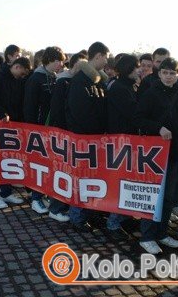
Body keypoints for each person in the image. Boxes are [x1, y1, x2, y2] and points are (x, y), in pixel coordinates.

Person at [134, 57, 178, 254]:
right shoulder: (150, 93)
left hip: (175, 151)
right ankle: (147, 236)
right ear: (159, 73)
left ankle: (162, 233)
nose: (168, 76)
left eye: (172, 73)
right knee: (152, 195)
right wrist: (158, 128)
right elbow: (138, 118)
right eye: (165, 72)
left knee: (170, 196)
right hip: (154, 153)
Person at [66, 41, 109, 232]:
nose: (107, 61)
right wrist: (95, 133)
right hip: (85, 140)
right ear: (98, 56)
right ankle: (77, 218)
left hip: (93, 139)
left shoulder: (94, 80)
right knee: (82, 179)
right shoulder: (81, 81)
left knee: (91, 180)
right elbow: (80, 113)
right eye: (106, 57)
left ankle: (88, 214)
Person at [0, 57, 32, 209]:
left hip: (12, 126)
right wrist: (2, 113)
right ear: (16, 67)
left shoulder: (16, 80)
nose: (22, 77)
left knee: (8, 159)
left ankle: (5, 192)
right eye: (22, 74)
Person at [23, 46, 66, 214]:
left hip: (50, 129)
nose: (61, 64)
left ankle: (43, 194)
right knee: (38, 165)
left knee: (47, 165)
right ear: (50, 60)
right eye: (59, 60)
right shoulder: (36, 79)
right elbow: (29, 106)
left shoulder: (55, 77)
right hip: (38, 130)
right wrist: (33, 129)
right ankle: (35, 198)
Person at [47, 51, 87, 222]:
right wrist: (63, 132)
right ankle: (55, 208)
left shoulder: (77, 81)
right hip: (64, 135)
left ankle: (61, 205)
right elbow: (57, 110)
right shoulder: (63, 81)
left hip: (72, 135)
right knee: (62, 172)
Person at [105, 54, 140, 239]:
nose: (139, 70)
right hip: (121, 142)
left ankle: (122, 217)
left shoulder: (126, 86)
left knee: (125, 182)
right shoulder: (120, 88)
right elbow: (133, 114)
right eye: (136, 67)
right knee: (120, 184)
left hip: (126, 140)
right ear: (128, 70)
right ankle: (113, 223)